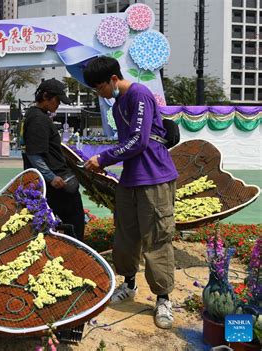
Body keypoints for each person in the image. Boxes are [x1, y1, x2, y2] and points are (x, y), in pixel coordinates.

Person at [83, 57, 179, 329]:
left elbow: (138, 141)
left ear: (114, 79)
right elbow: (127, 144)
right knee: (125, 233)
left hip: (154, 177)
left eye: (99, 86)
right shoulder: (118, 106)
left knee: (157, 237)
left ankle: (163, 298)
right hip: (131, 179)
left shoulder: (139, 94)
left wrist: (102, 159)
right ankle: (129, 283)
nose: (99, 92)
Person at [21, 78, 85, 242]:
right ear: (46, 96)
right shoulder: (38, 119)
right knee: (75, 223)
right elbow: (34, 154)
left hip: (51, 182)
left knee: (52, 226)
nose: (58, 104)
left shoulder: (35, 115)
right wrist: (51, 177)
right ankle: (74, 255)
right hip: (56, 184)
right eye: (57, 100)